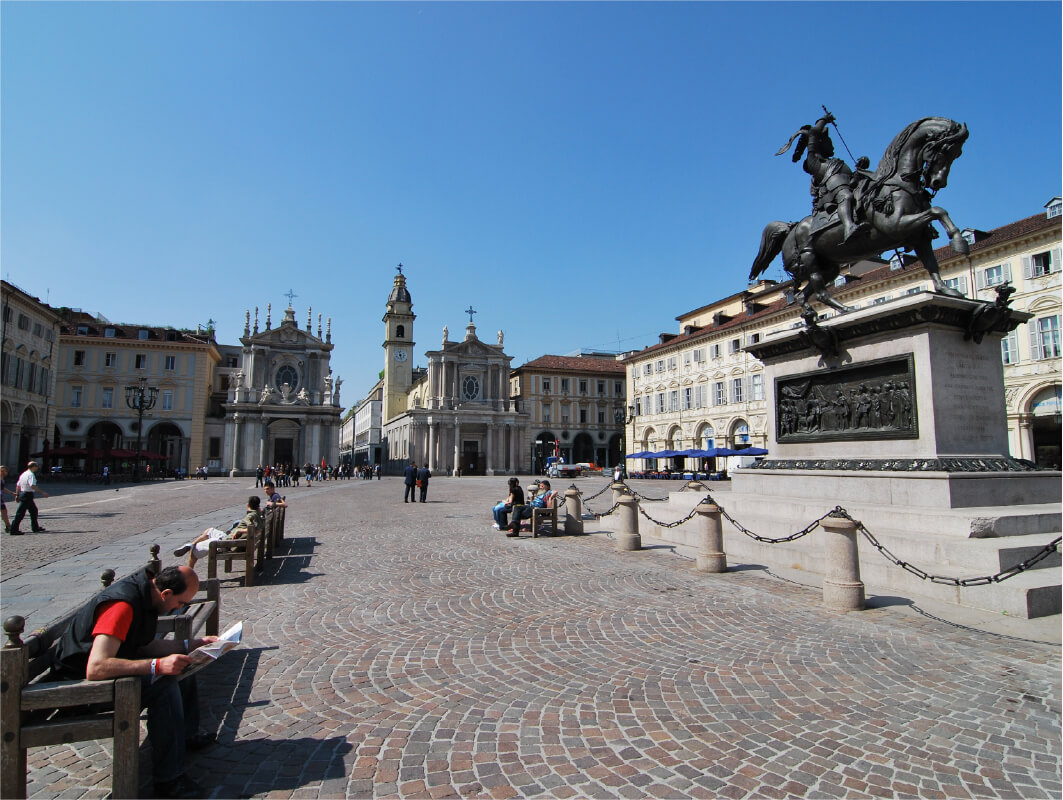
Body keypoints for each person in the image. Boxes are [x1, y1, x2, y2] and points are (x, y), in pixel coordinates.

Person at [50, 565, 218, 799]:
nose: (180, 608)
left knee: (183, 665)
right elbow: (96, 667)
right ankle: (169, 780)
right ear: (166, 594)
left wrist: (192, 645)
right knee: (163, 687)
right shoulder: (122, 606)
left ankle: (187, 735)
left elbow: (143, 645)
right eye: (180, 603)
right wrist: (156, 666)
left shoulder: (145, 596)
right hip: (76, 690)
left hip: (104, 672)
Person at [173, 495, 264, 569]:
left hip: (226, 543)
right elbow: (256, 528)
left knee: (194, 552)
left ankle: (189, 574)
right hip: (229, 540)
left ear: (248, 505)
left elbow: (255, 530)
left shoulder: (251, 516)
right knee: (209, 530)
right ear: (258, 506)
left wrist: (238, 530)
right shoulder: (257, 514)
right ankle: (191, 544)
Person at [10, 461, 51, 535]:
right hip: (27, 495)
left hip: (24, 494)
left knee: (34, 511)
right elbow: (32, 485)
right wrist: (42, 492)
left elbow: (18, 485)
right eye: (37, 466)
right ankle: (14, 529)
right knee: (20, 513)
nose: (37, 468)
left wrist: (17, 495)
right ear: (34, 467)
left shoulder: (24, 474)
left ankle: (35, 527)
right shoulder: (31, 475)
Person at [1, 465, 14, 534]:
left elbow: (2, 488)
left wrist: (11, 493)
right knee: (4, 512)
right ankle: (8, 526)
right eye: (3, 471)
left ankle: (8, 526)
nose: (5, 472)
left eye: (5, 471)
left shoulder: (2, 479)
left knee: (4, 512)